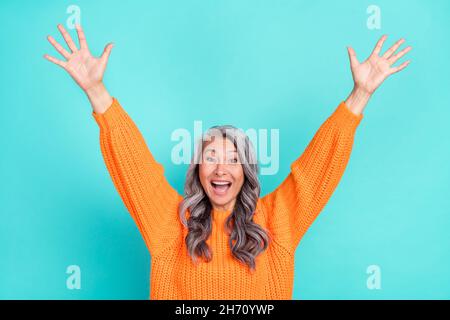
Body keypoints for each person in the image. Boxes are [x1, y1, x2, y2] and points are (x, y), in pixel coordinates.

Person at [44, 23, 411, 299]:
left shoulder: (276, 222)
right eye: (212, 157)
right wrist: (96, 91)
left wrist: (360, 95)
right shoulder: (170, 225)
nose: (221, 167)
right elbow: (134, 165)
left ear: (246, 172)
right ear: (199, 171)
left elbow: (316, 170)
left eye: (233, 159)